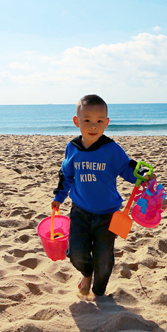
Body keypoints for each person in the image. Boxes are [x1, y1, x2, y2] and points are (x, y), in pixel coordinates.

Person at [51, 94, 149, 300]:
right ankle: (86, 273)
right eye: (87, 120)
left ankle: (98, 293)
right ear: (77, 121)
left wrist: (143, 176)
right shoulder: (73, 148)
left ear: (106, 122)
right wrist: (59, 197)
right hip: (80, 212)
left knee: (104, 260)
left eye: (99, 121)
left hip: (108, 215)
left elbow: (128, 167)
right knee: (76, 253)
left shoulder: (111, 149)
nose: (93, 125)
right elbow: (66, 175)